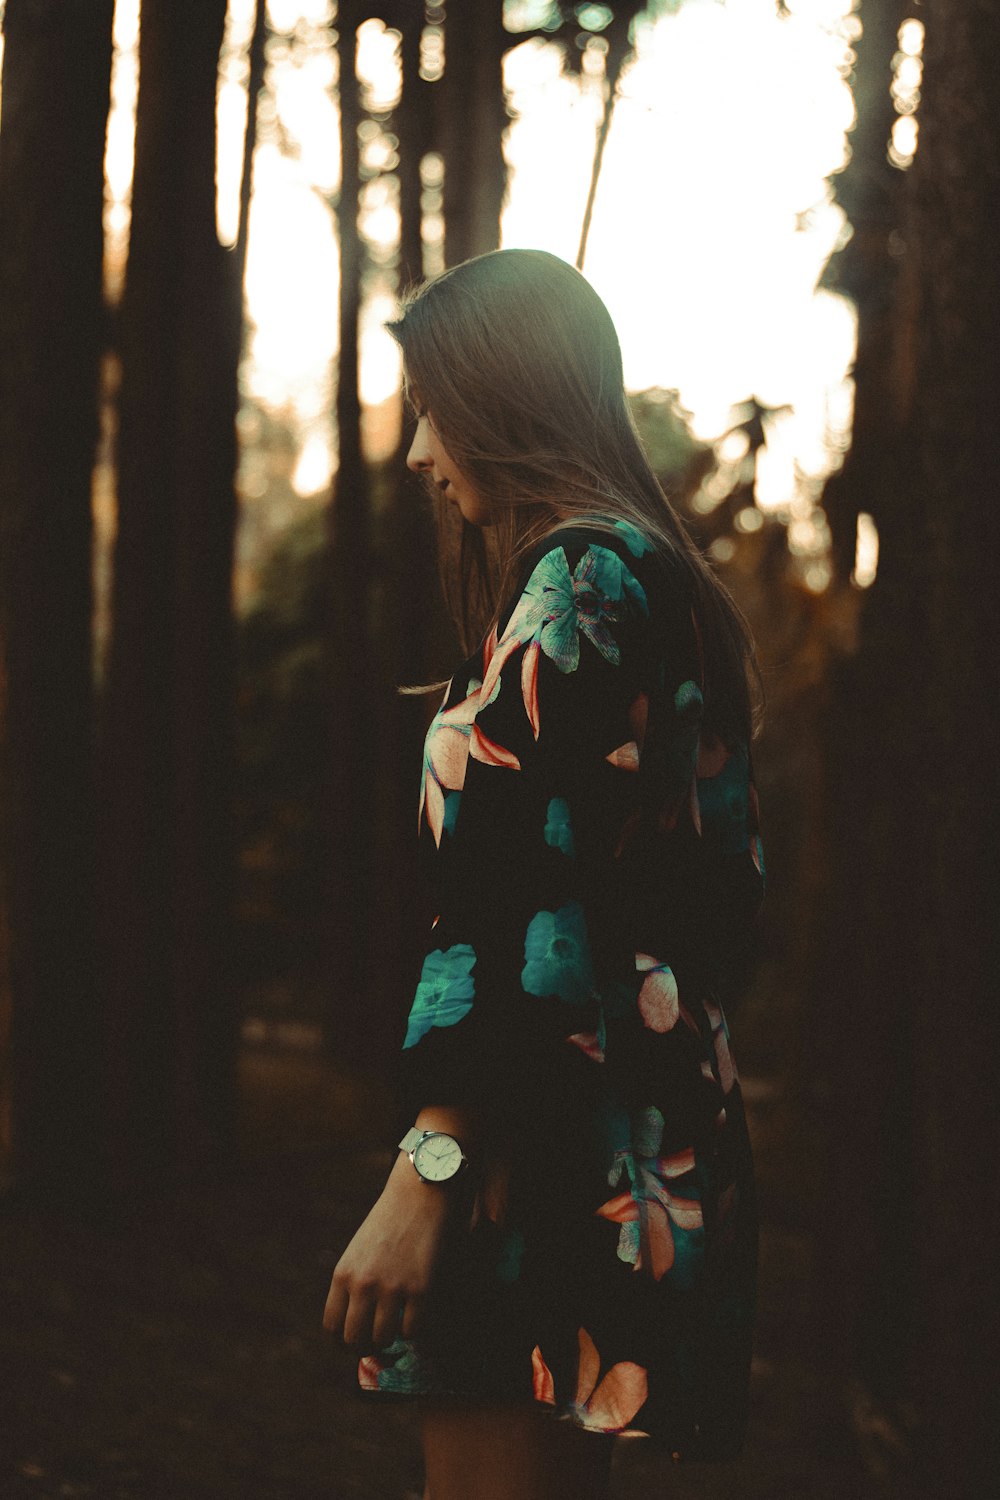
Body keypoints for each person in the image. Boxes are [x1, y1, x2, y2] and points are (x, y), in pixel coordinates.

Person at [323, 248, 765, 1500]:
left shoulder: (579, 578)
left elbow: (525, 908)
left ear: (503, 396)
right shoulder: (657, 586)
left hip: (539, 1139)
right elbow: (728, 905)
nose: (416, 454)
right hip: (639, 1119)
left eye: (430, 406)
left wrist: (435, 1167)